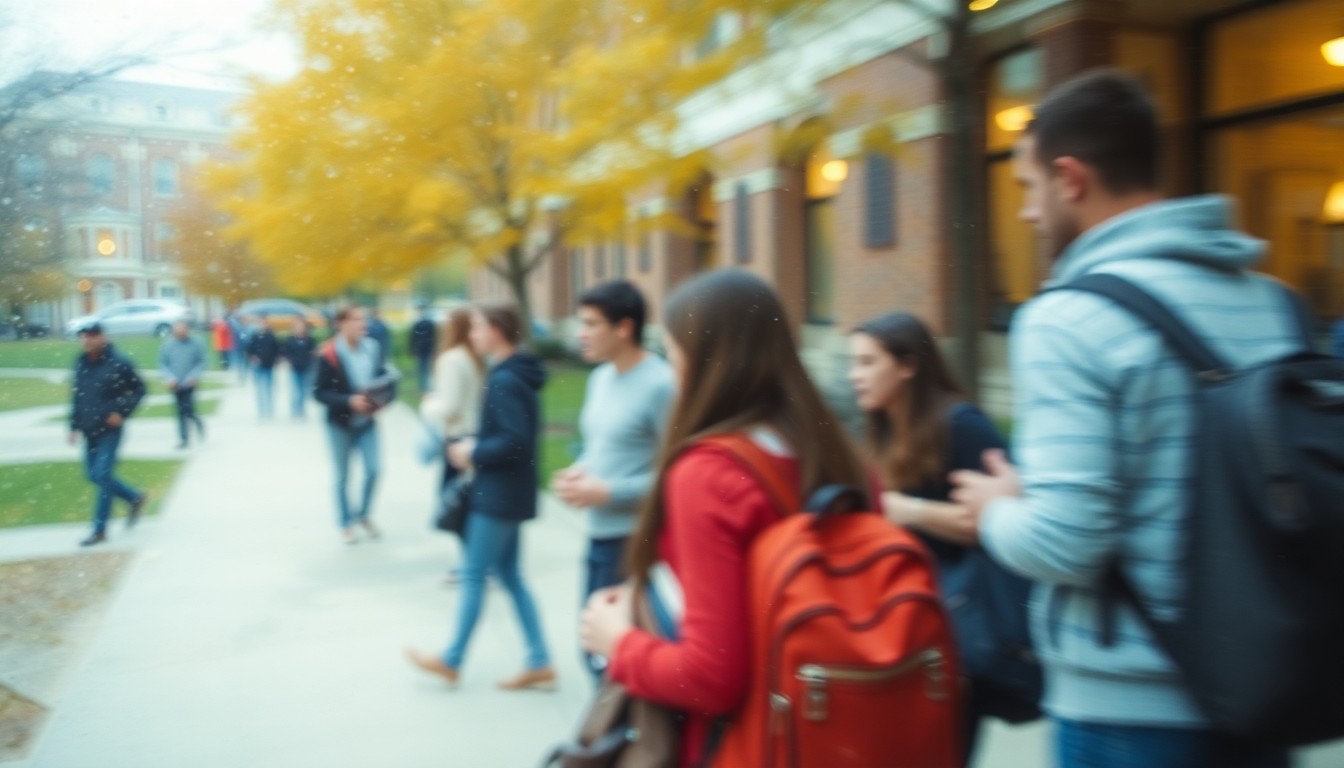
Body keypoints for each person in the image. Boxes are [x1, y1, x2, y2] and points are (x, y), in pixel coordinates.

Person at [950, 70, 1302, 768]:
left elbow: (1065, 544)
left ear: (1070, 178)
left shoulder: (1069, 318)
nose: (1025, 211)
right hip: (1270, 686)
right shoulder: (1277, 304)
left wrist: (994, 510)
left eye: (1027, 187)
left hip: (1132, 710)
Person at [577, 269, 874, 767]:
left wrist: (619, 642)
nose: (672, 375)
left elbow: (711, 677)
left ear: (709, 363)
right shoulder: (837, 454)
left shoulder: (710, 474)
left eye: (674, 355)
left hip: (749, 741)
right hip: (834, 724)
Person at [849, 311, 1026, 762]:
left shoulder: (961, 425)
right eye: (854, 364)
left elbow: (1002, 518)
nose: (855, 376)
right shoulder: (881, 429)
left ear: (909, 365)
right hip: (909, 627)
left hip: (960, 631)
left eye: (868, 363)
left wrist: (908, 511)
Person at [406, 303, 554, 691]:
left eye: (477, 328)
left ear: (497, 330)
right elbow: (514, 437)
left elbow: (515, 442)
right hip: (509, 490)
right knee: (510, 577)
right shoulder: (512, 372)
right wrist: (478, 444)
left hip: (499, 493)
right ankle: (540, 660)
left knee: (473, 574)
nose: (471, 335)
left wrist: (473, 451)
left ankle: (451, 660)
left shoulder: (504, 380)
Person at [552, 280, 675, 680]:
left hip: (636, 543)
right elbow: (601, 446)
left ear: (624, 328)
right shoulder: (600, 379)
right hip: (599, 537)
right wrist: (580, 472)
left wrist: (608, 491)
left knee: (614, 664)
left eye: (590, 324)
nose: (580, 333)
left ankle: (625, 742)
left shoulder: (661, 385)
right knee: (594, 654)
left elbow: (678, 473)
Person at [313, 306, 396, 544]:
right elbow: (319, 393)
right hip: (339, 425)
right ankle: (345, 523)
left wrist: (386, 398)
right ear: (341, 323)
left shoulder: (372, 348)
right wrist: (349, 401)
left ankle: (363, 515)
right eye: (356, 320)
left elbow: (384, 378)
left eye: (364, 319)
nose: (363, 324)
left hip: (368, 422)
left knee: (374, 470)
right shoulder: (329, 353)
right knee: (342, 477)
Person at [418, 308, 485, 579]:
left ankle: (474, 564)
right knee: (467, 504)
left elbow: (449, 406)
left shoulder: (451, 359)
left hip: (457, 440)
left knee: (454, 504)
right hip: (475, 435)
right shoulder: (475, 358)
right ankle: (477, 562)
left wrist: (428, 404)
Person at [68, 322, 148, 547]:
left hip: (110, 429)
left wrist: (121, 411)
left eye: (92, 335)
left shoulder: (119, 362)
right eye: (84, 336)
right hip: (88, 428)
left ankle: (99, 529)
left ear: (103, 337)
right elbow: (77, 395)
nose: (87, 340)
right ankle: (134, 497)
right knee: (92, 475)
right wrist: (73, 425)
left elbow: (140, 389)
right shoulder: (81, 362)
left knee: (102, 474)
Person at [159, 320, 207, 449]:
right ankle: (183, 439)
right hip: (175, 384)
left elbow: (202, 361)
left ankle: (197, 422)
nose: (180, 333)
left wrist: (194, 376)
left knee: (188, 409)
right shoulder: (168, 345)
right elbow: (163, 364)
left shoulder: (196, 343)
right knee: (179, 411)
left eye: (182, 330)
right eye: (177, 331)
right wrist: (169, 378)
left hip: (190, 383)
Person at [283, 318, 318, 420]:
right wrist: (288, 360)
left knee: (304, 390)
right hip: (294, 368)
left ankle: (302, 410)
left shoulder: (309, 340)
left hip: (306, 368)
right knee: (295, 390)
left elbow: (313, 352)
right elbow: (285, 352)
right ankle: (295, 410)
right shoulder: (290, 340)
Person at [246, 315, 280, 420]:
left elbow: (276, 349)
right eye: (261, 323)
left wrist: (276, 359)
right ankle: (262, 411)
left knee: (269, 389)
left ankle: (269, 410)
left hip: (269, 366)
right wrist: (252, 357)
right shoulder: (255, 337)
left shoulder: (271, 336)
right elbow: (249, 350)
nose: (262, 325)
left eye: (264, 323)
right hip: (258, 367)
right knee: (260, 390)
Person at [408, 304, 438, 393]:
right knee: (421, 369)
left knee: (425, 369)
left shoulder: (429, 323)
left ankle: (425, 387)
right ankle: (423, 387)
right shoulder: (418, 324)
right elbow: (413, 338)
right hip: (421, 350)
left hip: (427, 349)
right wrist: (413, 349)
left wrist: (434, 349)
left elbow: (434, 337)